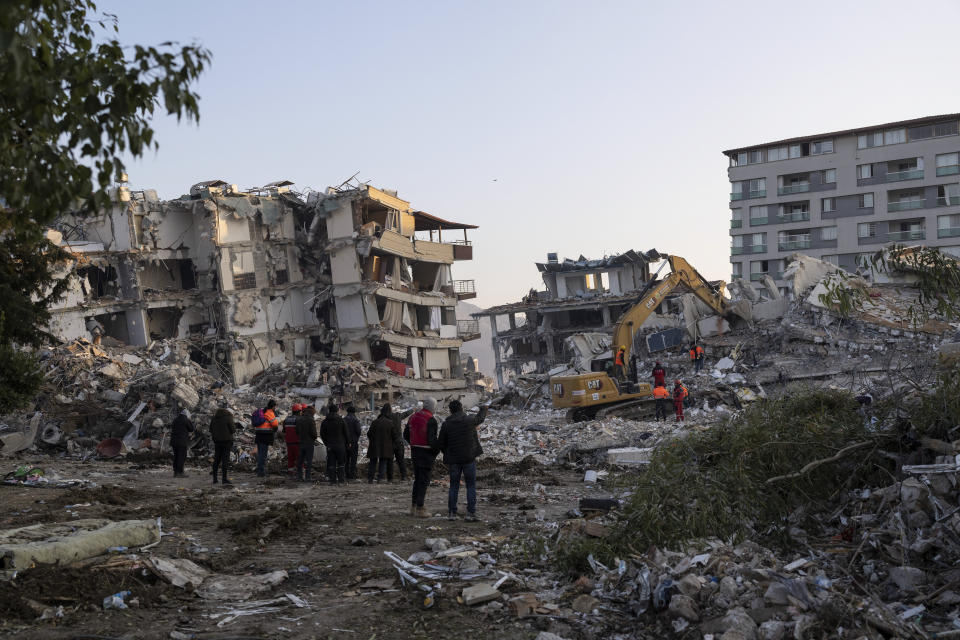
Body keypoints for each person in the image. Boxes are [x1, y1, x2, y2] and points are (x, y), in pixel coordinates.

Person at [435, 400, 488, 522]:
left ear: (451, 410)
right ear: (461, 409)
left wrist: (447, 453)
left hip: (453, 460)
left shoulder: (446, 425)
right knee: (470, 486)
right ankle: (470, 514)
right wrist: (484, 409)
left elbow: (441, 443)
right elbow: (480, 419)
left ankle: (452, 513)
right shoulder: (469, 420)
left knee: (454, 486)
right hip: (469, 458)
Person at [404, 397, 438, 517]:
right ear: (433, 407)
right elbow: (432, 440)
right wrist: (435, 451)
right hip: (426, 453)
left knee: (417, 479)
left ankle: (413, 507)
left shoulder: (412, 417)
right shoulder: (431, 420)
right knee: (424, 480)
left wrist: (413, 443)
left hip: (415, 451)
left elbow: (405, 434)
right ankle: (420, 508)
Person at [367, 404, 399, 483]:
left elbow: (369, 434)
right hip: (386, 447)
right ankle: (380, 478)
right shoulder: (390, 423)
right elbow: (394, 436)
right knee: (383, 462)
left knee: (373, 462)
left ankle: (370, 479)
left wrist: (373, 440)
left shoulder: (374, 422)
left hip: (374, 446)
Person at [320, 405, 348, 485]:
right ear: (337, 411)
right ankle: (341, 480)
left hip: (330, 446)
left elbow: (322, 434)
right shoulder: (341, 420)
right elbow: (346, 433)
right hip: (340, 445)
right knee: (341, 463)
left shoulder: (325, 421)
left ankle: (332, 481)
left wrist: (326, 443)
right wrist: (347, 443)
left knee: (331, 463)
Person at [209, 405, 236, 485]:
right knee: (225, 460)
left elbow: (210, 429)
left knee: (216, 460)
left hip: (217, 442)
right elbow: (233, 430)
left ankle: (215, 479)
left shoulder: (214, 419)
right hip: (226, 442)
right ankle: (224, 479)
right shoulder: (228, 418)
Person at [253, 399, 281, 477]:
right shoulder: (269, 412)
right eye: (275, 406)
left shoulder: (262, 411)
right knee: (263, 455)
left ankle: (260, 471)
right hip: (265, 436)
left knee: (260, 454)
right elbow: (275, 424)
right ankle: (261, 472)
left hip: (258, 435)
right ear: (273, 406)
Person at [296, 405, 318, 482]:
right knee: (309, 461)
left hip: (301, 442)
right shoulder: (311, 420)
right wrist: (314, 438)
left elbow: (297, 431)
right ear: (311, 412)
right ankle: (307, 477)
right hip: (309, 443)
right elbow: (314, 434)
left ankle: (299, 476)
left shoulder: (299, 419)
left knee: (300, 460)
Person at [170, 408, 194, 478]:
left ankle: (175, 472)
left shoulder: (175, 419)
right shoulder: (185, 420)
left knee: (176, 456)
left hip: (174, 441)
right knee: (181, 457)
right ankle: (180, 472)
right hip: (182, 442)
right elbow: (191, 429)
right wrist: (190, 420)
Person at [283, 404, 302, 477]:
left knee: (290, 458)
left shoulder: (286, 419)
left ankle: (290, 472)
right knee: (299, 458)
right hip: (297, 442)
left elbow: (284, 431)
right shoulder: (299, 419)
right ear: (299, 411)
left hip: (288, 442)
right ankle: (300, 473)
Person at [344, 405, 362, 480]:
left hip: (345, 443)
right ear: (354, 412)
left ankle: (346, 474)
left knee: (346, 459)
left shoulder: (343, 419)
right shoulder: (355, 420)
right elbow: (358, 431)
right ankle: (352, 475)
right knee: (353, 459)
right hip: (354, 442)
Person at [391, 407, 408, 482]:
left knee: (389, 461)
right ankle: (404, 476)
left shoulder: (386, 417)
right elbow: (406, 413)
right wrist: (412, 410)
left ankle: (390, 477)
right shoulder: (398, 416)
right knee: (401, 460)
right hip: (399, 443)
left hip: (390, 443)